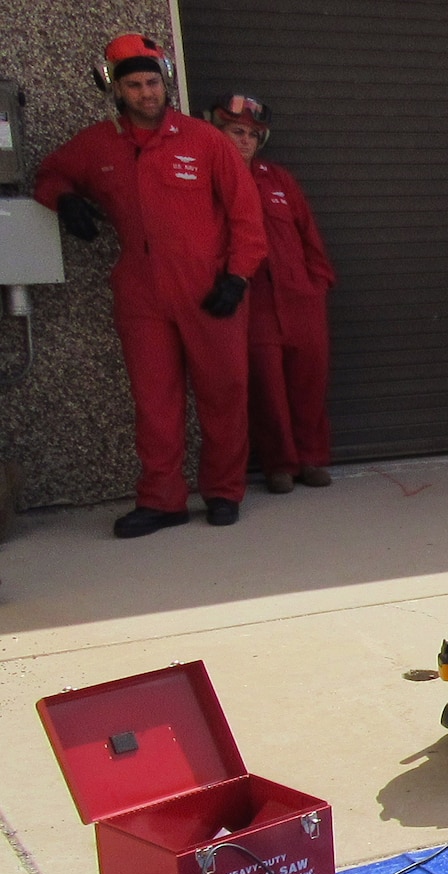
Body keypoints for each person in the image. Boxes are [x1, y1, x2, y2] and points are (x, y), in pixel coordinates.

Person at [34, 34, 266, 537]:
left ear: (166, 83)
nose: (146, 93)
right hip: (141, 294)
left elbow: (247, 214)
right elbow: (49, 175)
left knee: (224, 392)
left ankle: (224, 491)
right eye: (134, 84)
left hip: (210, 290)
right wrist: (65, 199)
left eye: (153, 82)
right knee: (155, 401)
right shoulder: (98, 144)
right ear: (115, 88)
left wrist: (237, 276)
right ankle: (163, 500)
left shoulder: (204, 141)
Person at [209, 95, 337, 493]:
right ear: (218, 132)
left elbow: (308, 235)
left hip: (301, 299)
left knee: (309, 383)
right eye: (236, 131)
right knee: (267, 390)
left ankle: (312, 459)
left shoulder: (279, 180)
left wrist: (317, 283)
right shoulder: (209, 182)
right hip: (254, 301)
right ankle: (280, 465)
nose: (244, 140)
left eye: (251, 134)